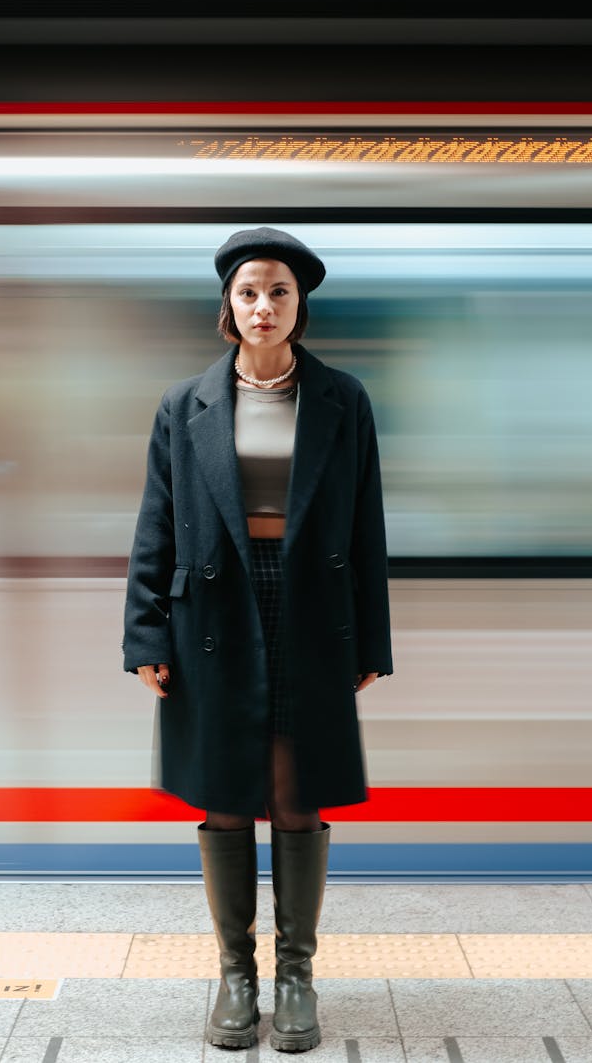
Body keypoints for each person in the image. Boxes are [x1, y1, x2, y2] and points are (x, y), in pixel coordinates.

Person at [122, 226, 393, 1053]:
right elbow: (156, 525)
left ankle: (296, 973)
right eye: (248, 292)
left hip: (309, 608)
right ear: (228, 306)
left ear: (299, 302)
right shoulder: (185, 403)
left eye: (278, 290)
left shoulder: (343, 398)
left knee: (295, 789)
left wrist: (369, 641)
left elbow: (368, 524)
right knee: (228, 791)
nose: (263, 306)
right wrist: (145, 634)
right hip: (212, 615)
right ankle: (235, 973)